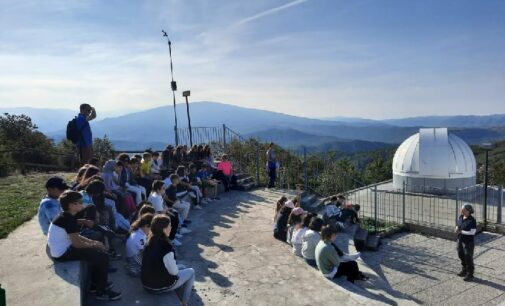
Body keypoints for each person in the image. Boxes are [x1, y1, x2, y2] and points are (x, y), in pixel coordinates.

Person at [47, 191, 121, 301]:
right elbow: (77, 243)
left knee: (97, 254)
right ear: (72, 205)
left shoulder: (66, 216)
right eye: (80, 202)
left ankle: (95, 284)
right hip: (62, 253)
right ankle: (102, 292)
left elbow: (77, 237)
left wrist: (93, 243)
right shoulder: (68, 219)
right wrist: (94, 245)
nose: (83, 204)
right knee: (102, 256)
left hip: (65, 248)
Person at [141, 215, 195, 306]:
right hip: (157, 287)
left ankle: (183, 289)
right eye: (169, 225)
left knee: (182, 266)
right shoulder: (166, 248)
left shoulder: (148, 242)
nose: (171, 227)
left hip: (146, 283)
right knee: (191, 272)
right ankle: (184, 302)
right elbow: (174, 273)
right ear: (163, 229)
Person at [125, 213, 154, 277]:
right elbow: (144, 252)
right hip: (134, 258)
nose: (151, 231)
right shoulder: (141, 237)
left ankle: (132, 267)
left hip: (130, 256)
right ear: (146, 226)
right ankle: (134, 269)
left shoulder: (136, 231)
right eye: (151, 228)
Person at [455, 204, 477, 281]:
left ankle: (470, 273)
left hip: (468, 242)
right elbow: (458, 225)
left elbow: (472, 232)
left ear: (468, 211)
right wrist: (457, 228)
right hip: (460, 240)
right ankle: (464, 269)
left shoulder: (472, 220)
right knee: (460, 254)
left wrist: (461, 231)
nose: (462, 211)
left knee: (468, 257)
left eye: (463, 210)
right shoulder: (461, 217)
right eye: (462, 209)